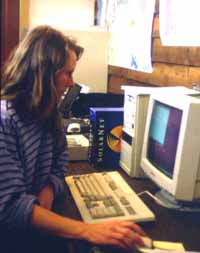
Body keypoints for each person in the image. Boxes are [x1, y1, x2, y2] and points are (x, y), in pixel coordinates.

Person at [0, 25, 146, 253]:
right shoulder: (4, 121)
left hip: (33, 223)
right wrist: (88, 230)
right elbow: (9, 208)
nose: (71, 83)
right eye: (67, 73)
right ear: (43, 72)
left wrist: (47, 189)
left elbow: (59, 164)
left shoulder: (48, 114)